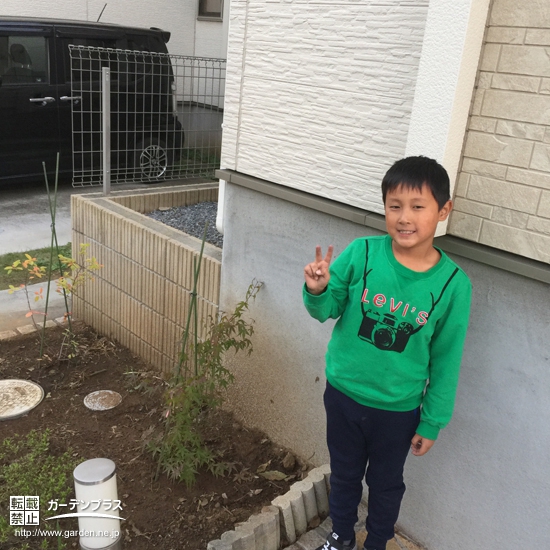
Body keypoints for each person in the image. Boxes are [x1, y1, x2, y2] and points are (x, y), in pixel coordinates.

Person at [302, 156, 472, 550]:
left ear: (443, 210)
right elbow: (326, 310)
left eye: (418, 206)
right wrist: (317, 289)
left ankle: (377, 541)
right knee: (344, 475)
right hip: (343, 394)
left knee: (385, 484)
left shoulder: (453, 285)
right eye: (394, 206)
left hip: (397, 410)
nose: (404, 217)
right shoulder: (362, 253)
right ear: (384, 208)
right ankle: (341, 535)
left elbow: (447, 360)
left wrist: (432, 422)